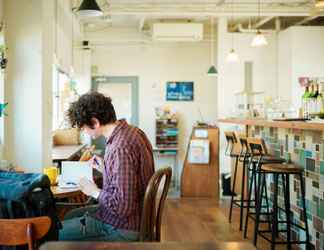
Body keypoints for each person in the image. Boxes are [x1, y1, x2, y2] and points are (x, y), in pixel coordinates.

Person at [59, 91, 155, 241]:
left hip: (123, 226)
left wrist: (94, 191)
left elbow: (123, 208)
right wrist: (105, 167)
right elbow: (130, 175)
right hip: (137, 216)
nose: (84, 132)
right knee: (71, 215)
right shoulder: (133, 132)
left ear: (95, 122)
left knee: (56, 234)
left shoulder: (119, 148)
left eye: (84, 127)